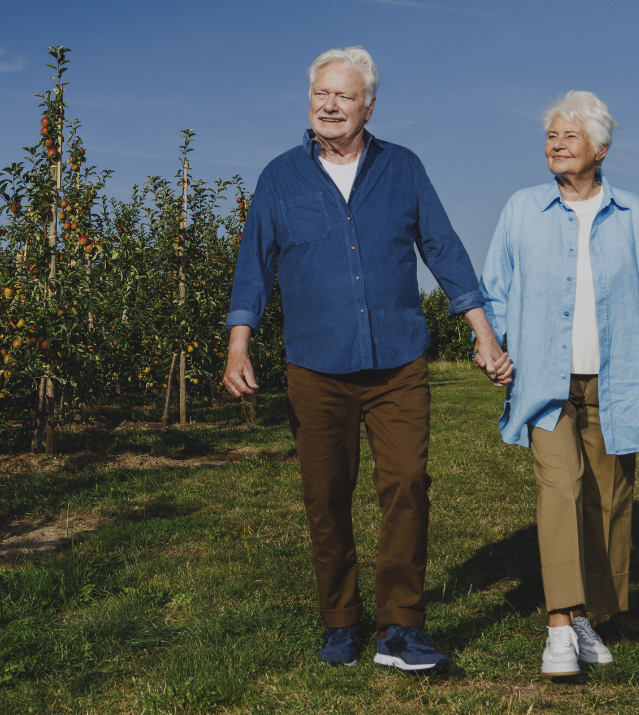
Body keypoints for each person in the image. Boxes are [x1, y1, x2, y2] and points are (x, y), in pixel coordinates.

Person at [223, 46, 509, 672]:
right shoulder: (279, 177)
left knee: (406, 484)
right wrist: (238, 341)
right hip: (315, 365)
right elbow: (254, 267)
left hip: (398, 363)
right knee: (326, 495)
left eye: (342, 96)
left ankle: (401, 627)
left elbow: (444, 249)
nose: (328, 105)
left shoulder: (402, 169)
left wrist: (483, 334)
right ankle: (340, 620)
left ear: (368, 106)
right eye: (319, 94)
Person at [477, 90, 639, 677]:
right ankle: (560, 626)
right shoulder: (522, 209)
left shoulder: (633, 214)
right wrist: (486, 342)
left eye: (569, 136)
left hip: (615, 382)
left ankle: (591, 612)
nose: (556, 144)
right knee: (561, 486)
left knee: (610, 498)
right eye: (550, 136)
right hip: (544, 378)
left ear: (601, 148)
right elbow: (495, 288)